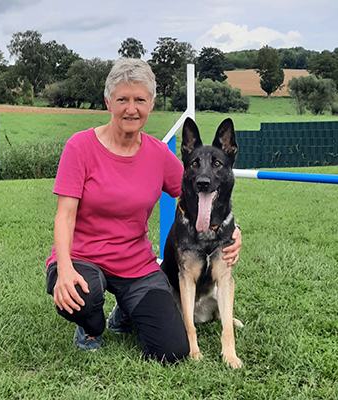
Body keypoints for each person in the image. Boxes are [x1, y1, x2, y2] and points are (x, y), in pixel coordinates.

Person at [46, 58, 242, 364]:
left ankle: (124, 312)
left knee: (172, 351)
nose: (131, 108)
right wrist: (64, 267)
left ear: (151, 103)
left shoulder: (158, 154)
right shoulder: (80, 147)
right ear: (108, 101)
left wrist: (231, 230)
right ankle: (91, 327)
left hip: (135, 265)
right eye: (122, 99)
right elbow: (64, 215)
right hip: (83, 258)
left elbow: (196, 191)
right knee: (85, 299)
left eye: (140, 99)